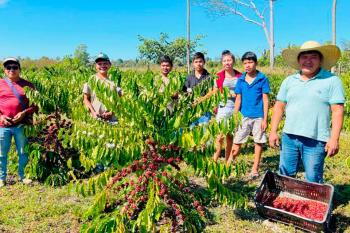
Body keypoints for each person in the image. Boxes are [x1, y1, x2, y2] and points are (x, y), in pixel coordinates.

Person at [269, 41, 345, 183]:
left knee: (313, 178)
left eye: (313, 57)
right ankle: (287, 203)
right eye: (304, 57)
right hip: (289, 137)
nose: (308, 61)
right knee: (285, 175)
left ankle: (314, 203)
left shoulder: (332, 81)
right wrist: (273, 131)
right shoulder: (289, 81)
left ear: (320, 60)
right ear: (298, 60)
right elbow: (279, 106)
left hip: (315, 140)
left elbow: (337, 111)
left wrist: (334, 139)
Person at [229, 52, 270, 178]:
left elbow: (265, 99)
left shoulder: (262, 79)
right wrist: (235, 117)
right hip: (244, 116)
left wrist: (265, 119)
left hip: (258, 116)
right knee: (237, 141)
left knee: (258, 142)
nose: (247, 65)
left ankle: (255, 168)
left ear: (256, 63)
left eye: (250, 62)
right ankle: (228, 164)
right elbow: (238, 99)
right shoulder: (241, 80)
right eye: (245, 63)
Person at [0, 57, 38, 187]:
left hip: (21, 125)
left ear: (19, 69)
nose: (11, 70)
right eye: (8, 67)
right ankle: (2, 177)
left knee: (23, 151)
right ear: (4, 70)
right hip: (3, 125)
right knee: (2, 152)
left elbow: (35, 105)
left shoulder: (28, 85)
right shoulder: (0, 83)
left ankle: (23, 176)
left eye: (14, 67)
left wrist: (24, 113)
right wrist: (1, 117)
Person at [212, 50, 241, 163]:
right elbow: (215, 92)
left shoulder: (240, 76)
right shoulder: (219, 76)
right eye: (224, 61)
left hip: (235, 109)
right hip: (223, 108)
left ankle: (228, 159)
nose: (227, 62)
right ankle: (215, 158)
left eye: (229, 60)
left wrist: (235, 94)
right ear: (222, 62)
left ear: (233, 61)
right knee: (219, 136)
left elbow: (243, 92)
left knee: (230, 136)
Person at [83, 53, 122, 124]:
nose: (102, 66)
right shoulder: (91, 79)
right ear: (96, 66)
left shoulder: (114, 80)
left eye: (105, 63)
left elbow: (121, 99)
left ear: (110, 65)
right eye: (99, 64)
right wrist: (93, 112)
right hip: (95, 118)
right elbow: (85, 99)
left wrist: (112, 112)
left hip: (112, 120)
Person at [183, 52, 212, 127]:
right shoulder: (189, 77)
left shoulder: (208, 77)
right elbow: (185, 92)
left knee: (204, 133)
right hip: (192, 109)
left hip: (205, 110)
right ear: (193, 63)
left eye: (200, 61)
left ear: (204, 62)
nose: (198, 64)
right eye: (196, 62)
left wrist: (199, 100)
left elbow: (210, 92)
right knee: (191, 132)